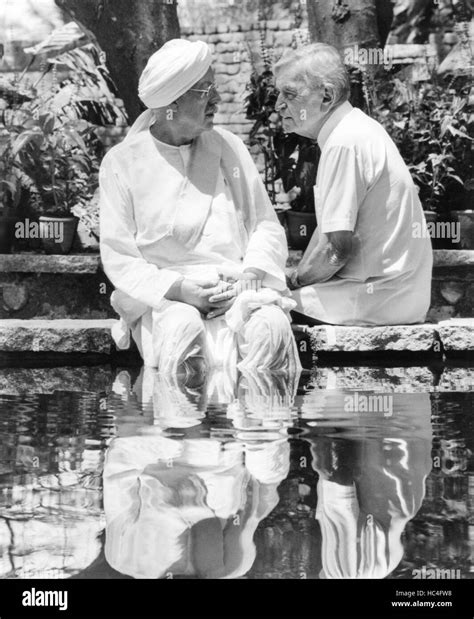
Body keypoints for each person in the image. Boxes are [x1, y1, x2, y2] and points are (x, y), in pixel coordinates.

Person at [99, 39, 300, 374]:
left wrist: (251, 275)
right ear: (171, 102)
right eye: (206, 90)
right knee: (182, 333)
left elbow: (264, 224)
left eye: (214, 88)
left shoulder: (229, 148)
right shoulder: (121, 163)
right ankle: (183, 422)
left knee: (272, 331)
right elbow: (119, 256)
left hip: (237, 288)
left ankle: (263, 423)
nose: (217, 99)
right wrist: (180, 290)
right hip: (168, 297)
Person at [274, 43, 433, 326]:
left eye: (289, 93)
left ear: (327, 96)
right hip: (392, 294)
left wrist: (294, 280)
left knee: (260, 314)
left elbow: (336, 251)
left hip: (380, 298)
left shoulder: (344, 142)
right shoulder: (352, 130)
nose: (278, 105)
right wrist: (295, 278)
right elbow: (328, 235)